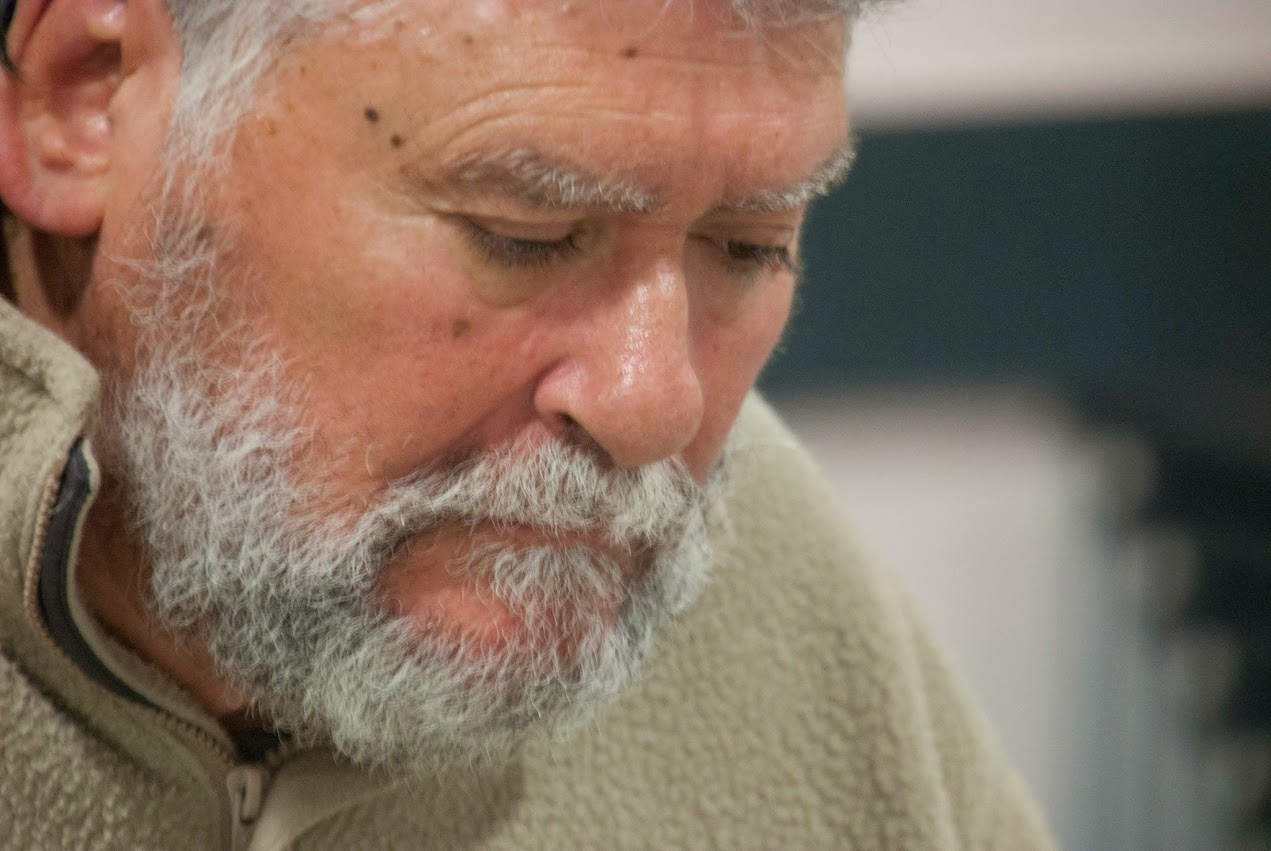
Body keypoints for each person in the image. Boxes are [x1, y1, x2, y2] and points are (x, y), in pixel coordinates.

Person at [0, 0, 1053, 847]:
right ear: (86, 96)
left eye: (746, 247)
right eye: (524, 234)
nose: (653, 405)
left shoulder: (794, 605)